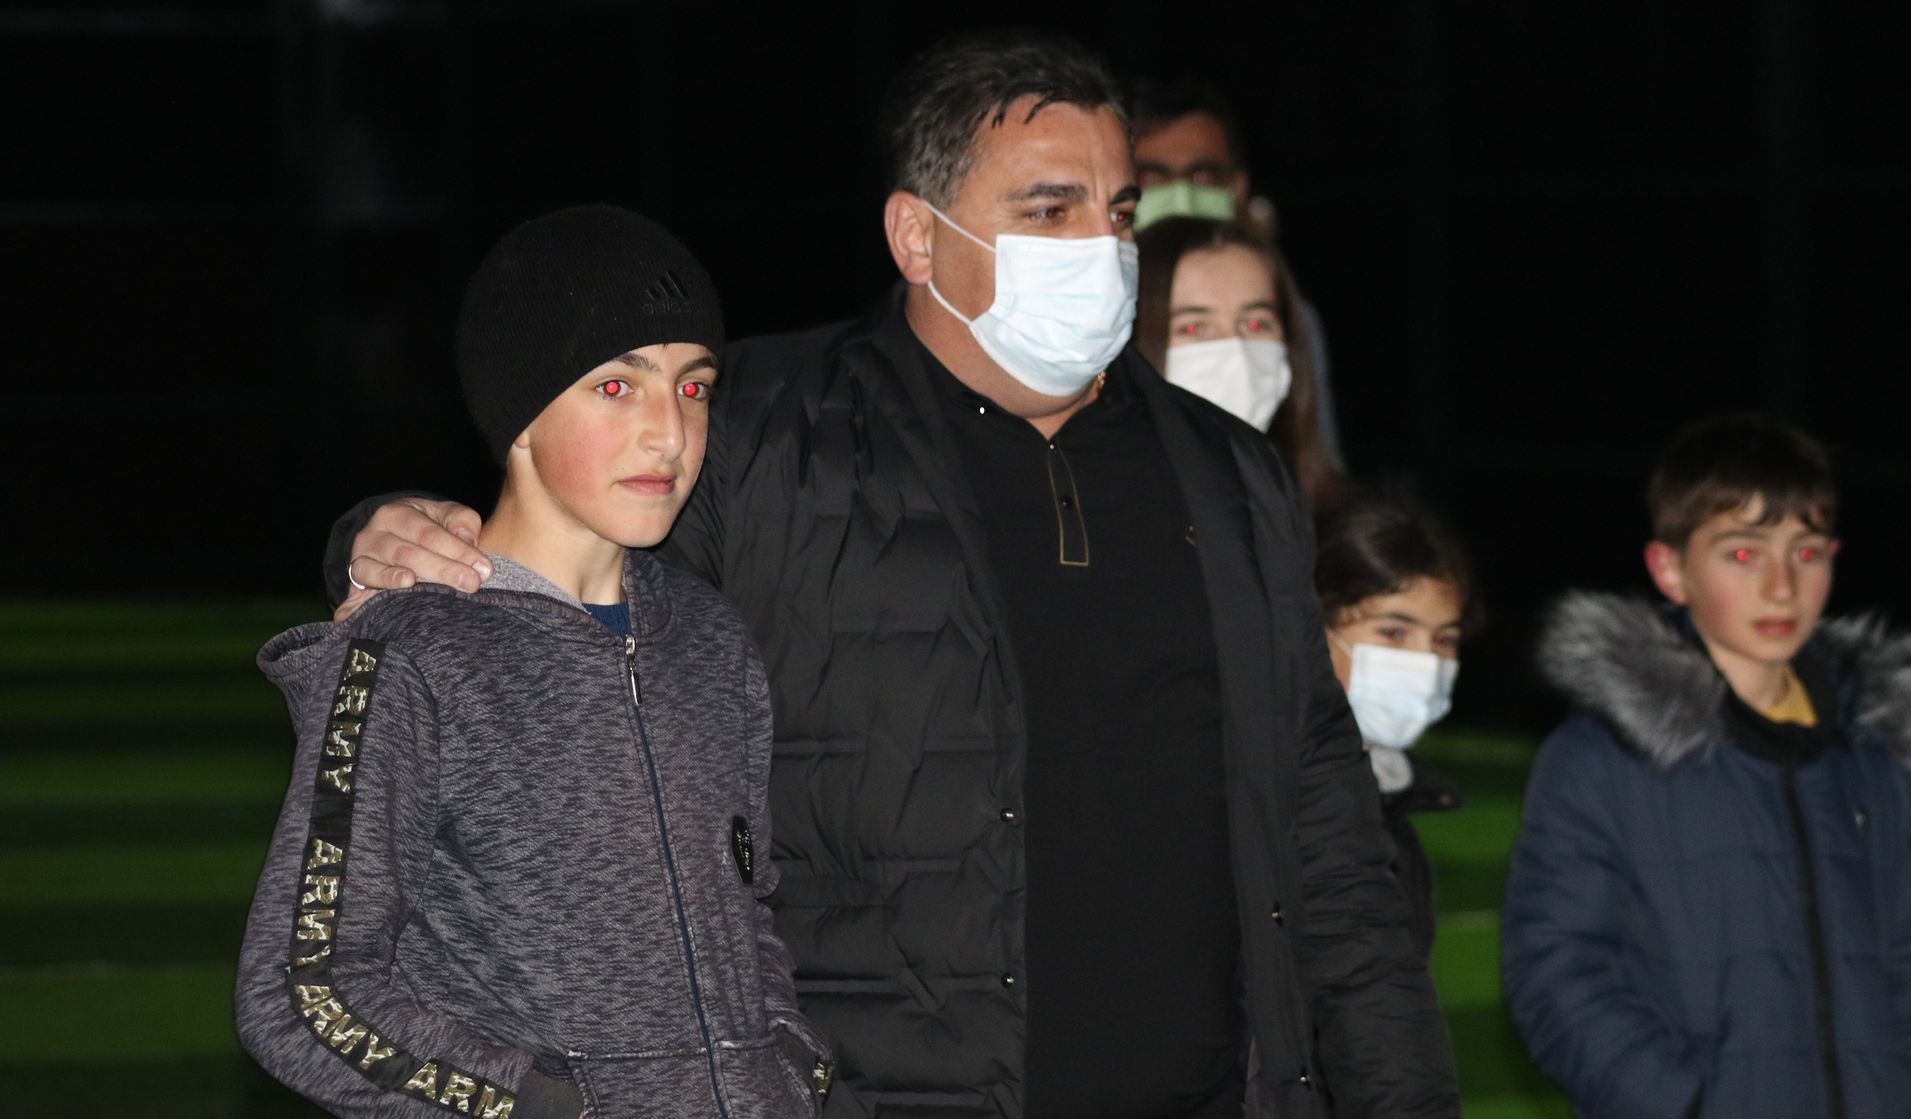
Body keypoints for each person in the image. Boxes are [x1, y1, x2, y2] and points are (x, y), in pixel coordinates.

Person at [327, 31, 1457, 1119]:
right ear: (916, 236)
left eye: (1118, 211)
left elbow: (1327, 841)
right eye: (1048, 210)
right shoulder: (763, 435)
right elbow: (549, 560)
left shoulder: (1228, 473)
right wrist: (377, 534)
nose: (1102, 247)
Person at [236, 205, 832, 1119]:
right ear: (519, 413)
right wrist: (543, 1106)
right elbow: (301, 992)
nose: (669, 434)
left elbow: (747, 917)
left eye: (694, 387)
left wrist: (786, 1067)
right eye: (616, 386)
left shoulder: (711, 639)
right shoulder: (414, 651)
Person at [1501, 414, 1911, 1119]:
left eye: (1806, 552)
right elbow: (1557, 971)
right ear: (1670, 569)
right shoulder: (1600, 759)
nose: (1782, 587)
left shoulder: (1876, 757)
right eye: (1743, 554)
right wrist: (1690, 1104)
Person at [1127, 78, 1342, 461]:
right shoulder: (1098, 311)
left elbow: (1315, 451)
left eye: (1202, 176)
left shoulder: (1287, 306)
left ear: (1238, 188)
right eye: (1153, 177)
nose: (1181, 193)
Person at [1313, 486, 1478, 958]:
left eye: (1444, 640)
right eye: (1393, 632)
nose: (1426, 661)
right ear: (1314, 629)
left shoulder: (1390, 796)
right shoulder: (1274, 797)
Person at [1134, 215, 1346, 512]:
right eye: (1194, 328)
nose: (1236, 351)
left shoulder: (1330, 525)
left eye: (1255, 324)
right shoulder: (1095, 515)